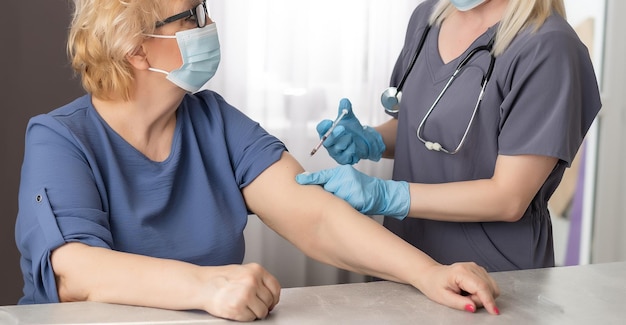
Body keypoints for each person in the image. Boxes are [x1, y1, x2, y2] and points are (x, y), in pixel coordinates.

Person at [14, 0, 501, 321]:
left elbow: (314, 216)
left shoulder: (214, 121)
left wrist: (427, 273)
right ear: (136, 49)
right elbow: (73, 272)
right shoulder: (60, 139)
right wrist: (205, 286)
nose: (209, 25)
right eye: (191, 16)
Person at [297, 0, 601, 272]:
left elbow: (509, 198)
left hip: (494, 274)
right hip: (401, 259)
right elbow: (422, 125)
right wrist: (370, 140)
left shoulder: (549, 47)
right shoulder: (427, 18)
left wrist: (386, 194)